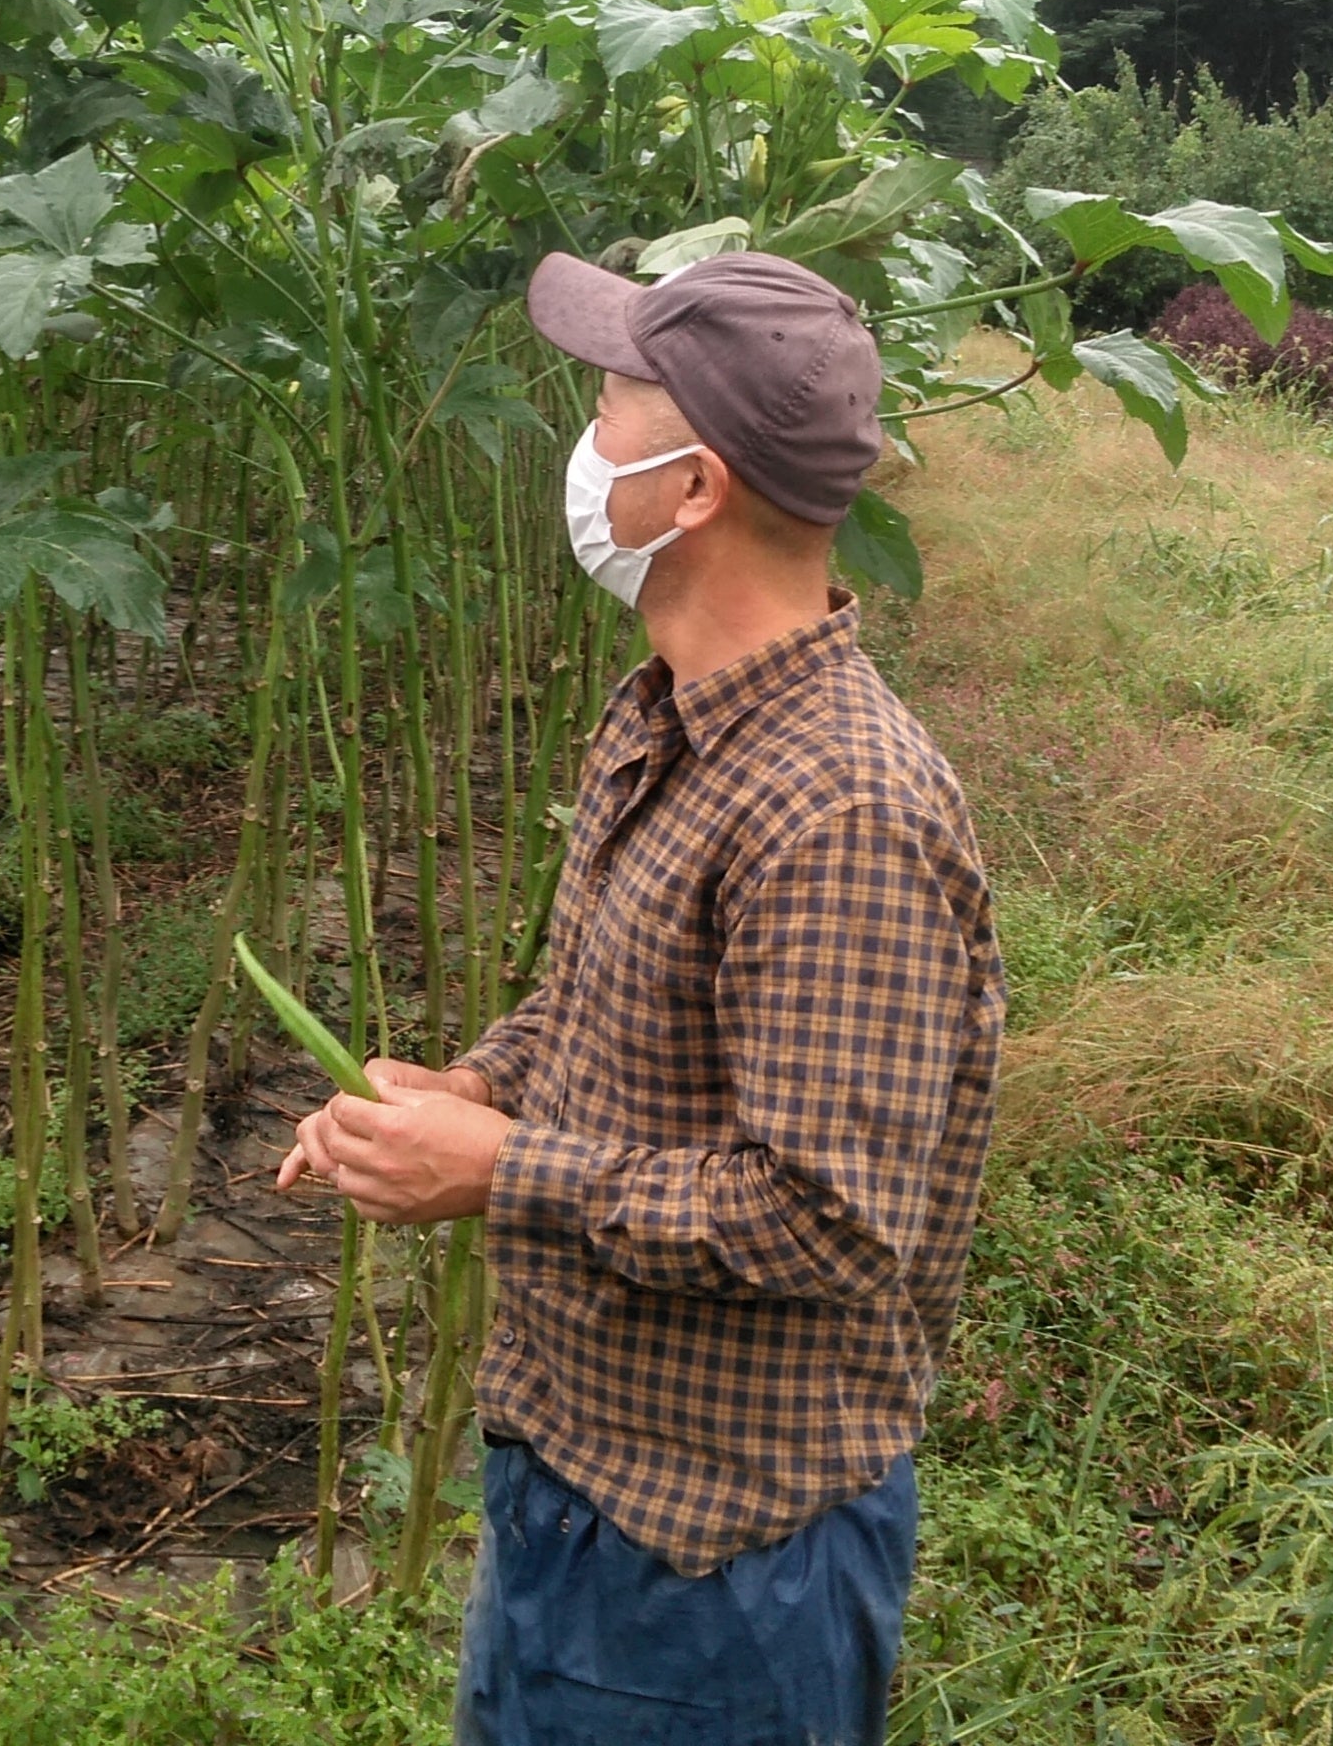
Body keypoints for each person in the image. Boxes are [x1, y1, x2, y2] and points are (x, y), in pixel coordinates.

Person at [278, 248, 1007, 1746]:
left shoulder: (841, 813)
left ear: (693, 490)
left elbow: (821, 1214)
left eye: (613, 399)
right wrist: (475, 1088)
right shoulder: (671, 714)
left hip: (721, 1565)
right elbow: (596, 1005)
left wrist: (500, 1174)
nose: (583, 434)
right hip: (577, 1481)